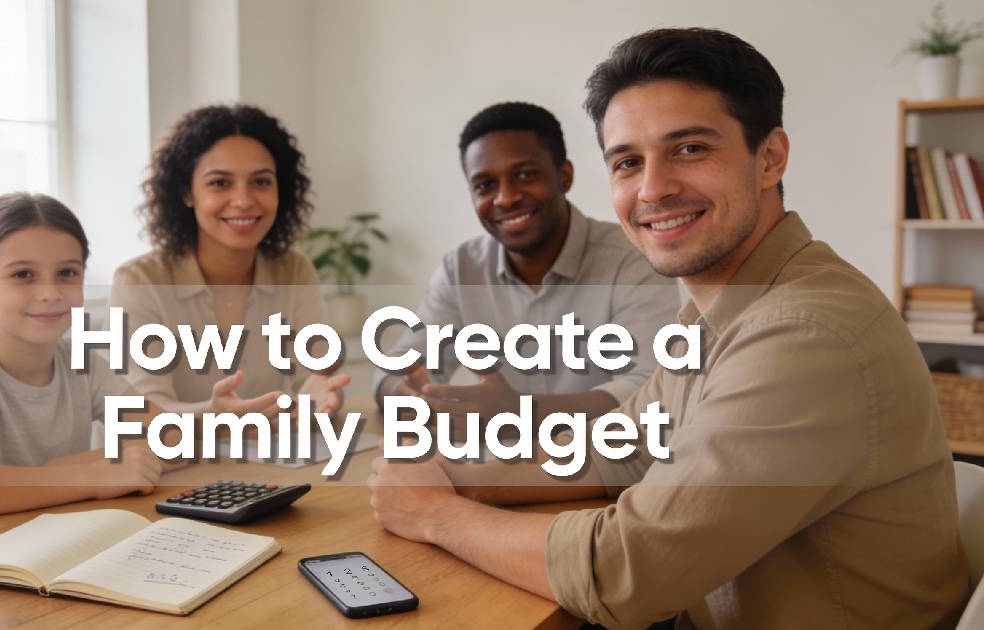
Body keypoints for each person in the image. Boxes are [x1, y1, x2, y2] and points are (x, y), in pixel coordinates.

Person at [367, 28, 969, 628]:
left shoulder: (804, 331)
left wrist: (435, 515)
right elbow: (618, 451)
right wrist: (452, 477)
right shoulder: (722, 311)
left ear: (770, 157)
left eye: (689, 149)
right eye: (629, 162)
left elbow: (630, 573)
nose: (652, 189)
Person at [374, 102, 677, 445]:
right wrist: (407, 391)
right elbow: (394, 368)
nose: (506, 198)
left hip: (613, 468)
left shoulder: (632, 258)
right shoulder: (461, 269)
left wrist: (525, 414)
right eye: (485, 185)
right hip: (500, 469)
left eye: (524, 175)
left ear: (564, 177)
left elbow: (652, 384)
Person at [0, 192, 185, 520]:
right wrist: (90, 474)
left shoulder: (83, 364)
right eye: (23, 274)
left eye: (67, 273)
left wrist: (68, 467)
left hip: (47, 540)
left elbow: (173, 439)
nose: (50, 293)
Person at [112, 104, 348, 420]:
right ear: (187, 192)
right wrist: (216, 417)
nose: (243, 200)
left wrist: (323, 397)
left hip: (262, 462)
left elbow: (315, 381)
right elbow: (142, 412)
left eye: (261, 182)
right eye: (220, 183)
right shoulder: (140, 282)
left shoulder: (294, 270)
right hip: (172, 466)